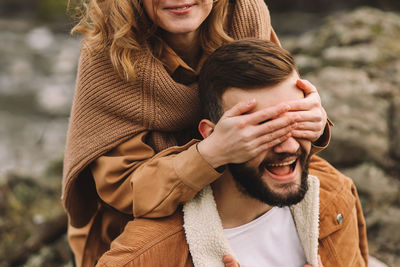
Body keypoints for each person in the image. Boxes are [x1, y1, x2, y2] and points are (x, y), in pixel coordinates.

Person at [63, 0, 333, 266]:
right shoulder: (108, 54)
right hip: (146, 225)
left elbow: (277, 104)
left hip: (240, 202)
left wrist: (311, 122)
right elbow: (124, 188)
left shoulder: (244, 14)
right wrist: (211, 153)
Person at [95, 39, 368, 267]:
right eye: (262, 129)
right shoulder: (146, 254)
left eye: (296, 121)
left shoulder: (334, 197)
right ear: (211, 135)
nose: (288, 146)